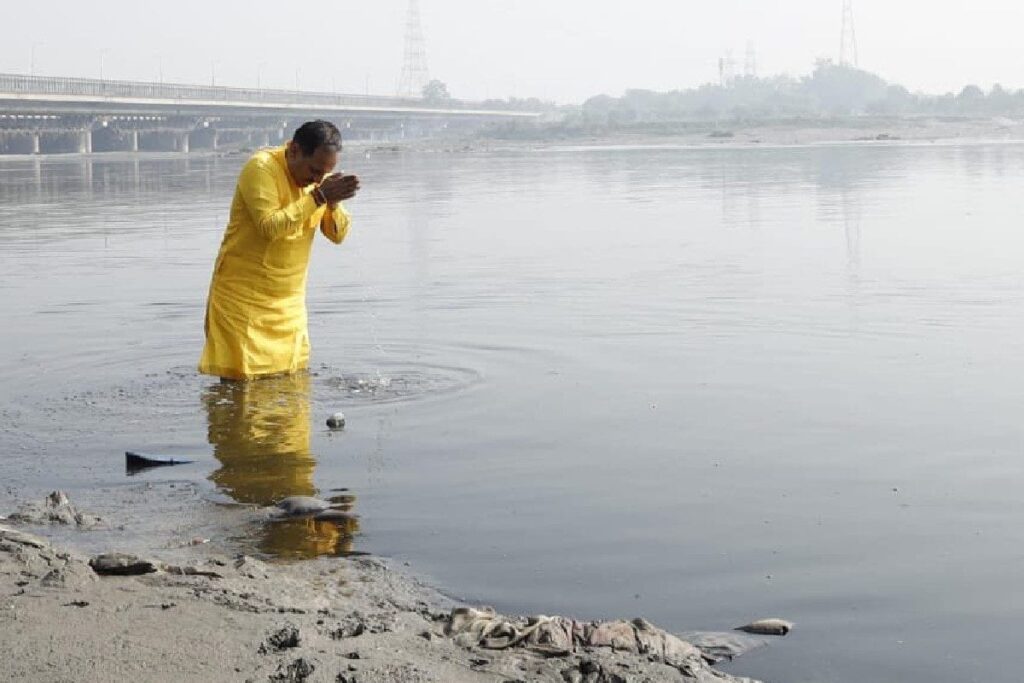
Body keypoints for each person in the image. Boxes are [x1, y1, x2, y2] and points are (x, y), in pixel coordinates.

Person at [198, 120, 360, 380]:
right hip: (243, 304)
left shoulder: (319, 183)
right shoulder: (261, 168)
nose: (318, 179)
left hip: (289, 307)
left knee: (293, 390)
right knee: (240, 391)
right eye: (314, 170)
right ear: (294, 150)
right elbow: (270, 227)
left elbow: (337, 235)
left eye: (325, 173)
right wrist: (319, 197)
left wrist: (333, 203)